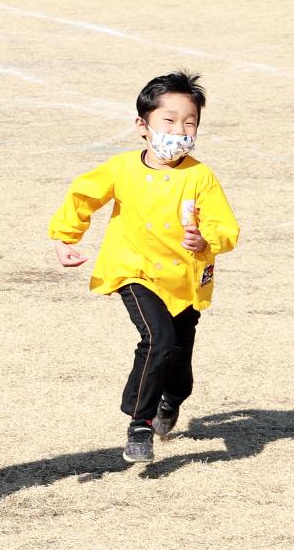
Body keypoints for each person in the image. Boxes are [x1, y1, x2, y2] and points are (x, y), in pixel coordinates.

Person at [49, 71, 240, 464]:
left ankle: (173, 398)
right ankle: (140, 423)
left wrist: (207, 241)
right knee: (158, 340)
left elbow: (225, 227)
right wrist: (65, 237)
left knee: (180, 366)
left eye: (189, 123)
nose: (179, 130)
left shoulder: (200, 176)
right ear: (143, 125)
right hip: (133, 269)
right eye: (169, 121)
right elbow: (84, 195)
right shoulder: (122, 168)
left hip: (184, 279)